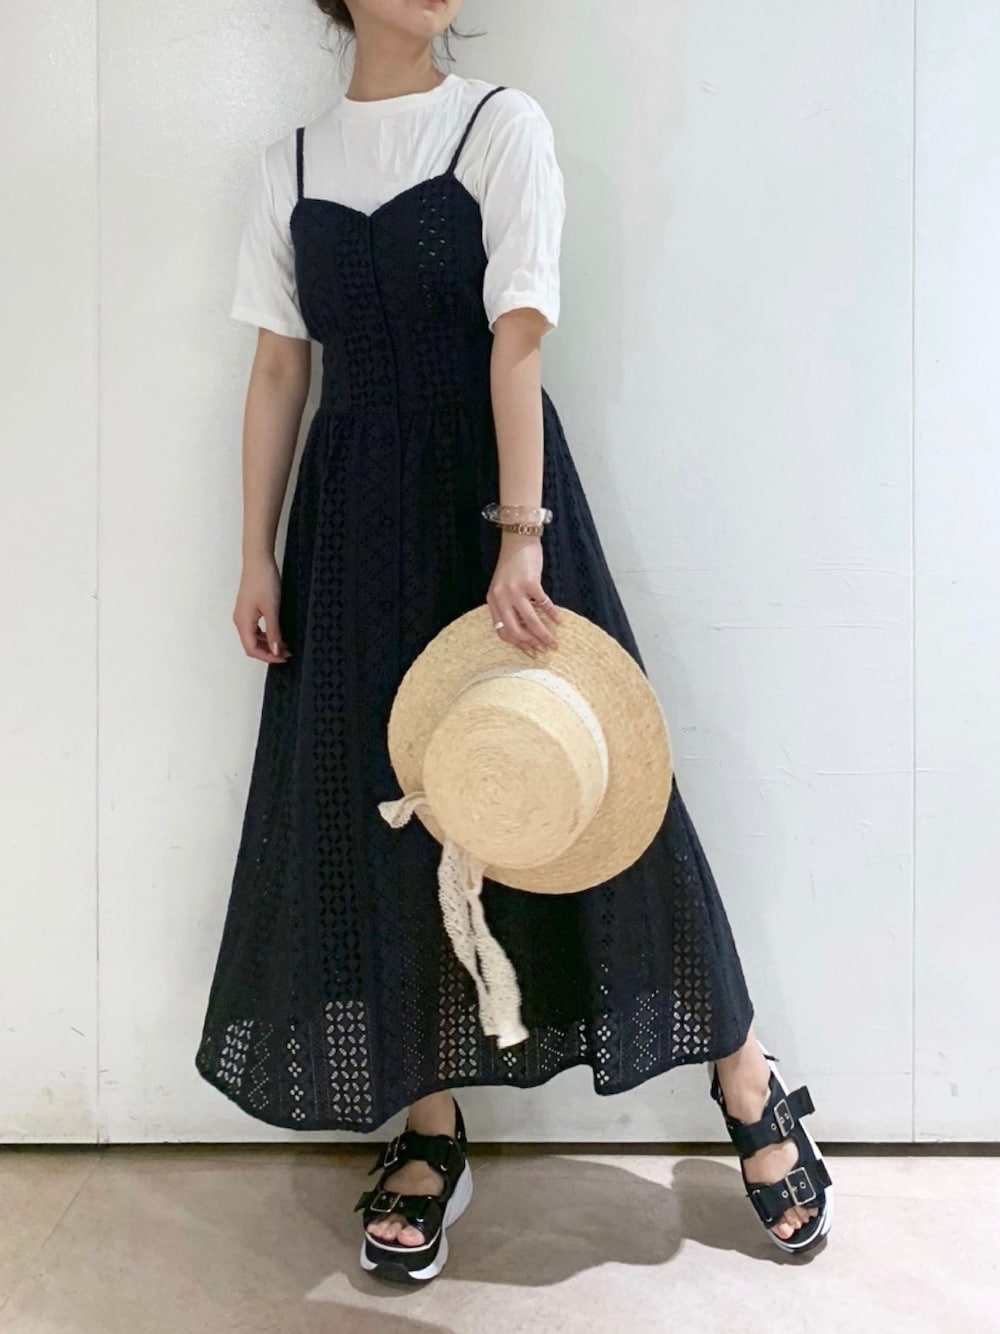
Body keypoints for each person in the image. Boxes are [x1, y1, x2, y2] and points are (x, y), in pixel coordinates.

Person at [194, 0, 833, 1282]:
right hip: (349, 528)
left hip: (495, 505)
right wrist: (256, 549)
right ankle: (430, 1125)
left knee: (606, 791)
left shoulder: (498, 125)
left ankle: (748, 1077)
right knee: (390, 804)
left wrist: (521, 531)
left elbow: (518, 335)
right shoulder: (290, 165)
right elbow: (278, 371)